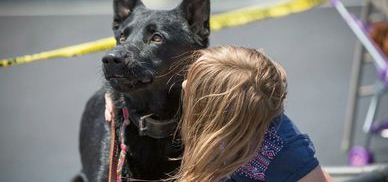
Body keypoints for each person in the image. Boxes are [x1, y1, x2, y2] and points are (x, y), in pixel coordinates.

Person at [105, 46, 334, 182]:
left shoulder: (284, 149)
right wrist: (115, 98)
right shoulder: (227, 111)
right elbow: (146, 94)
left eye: (194, 85)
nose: (184, 84)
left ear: (218, 113)